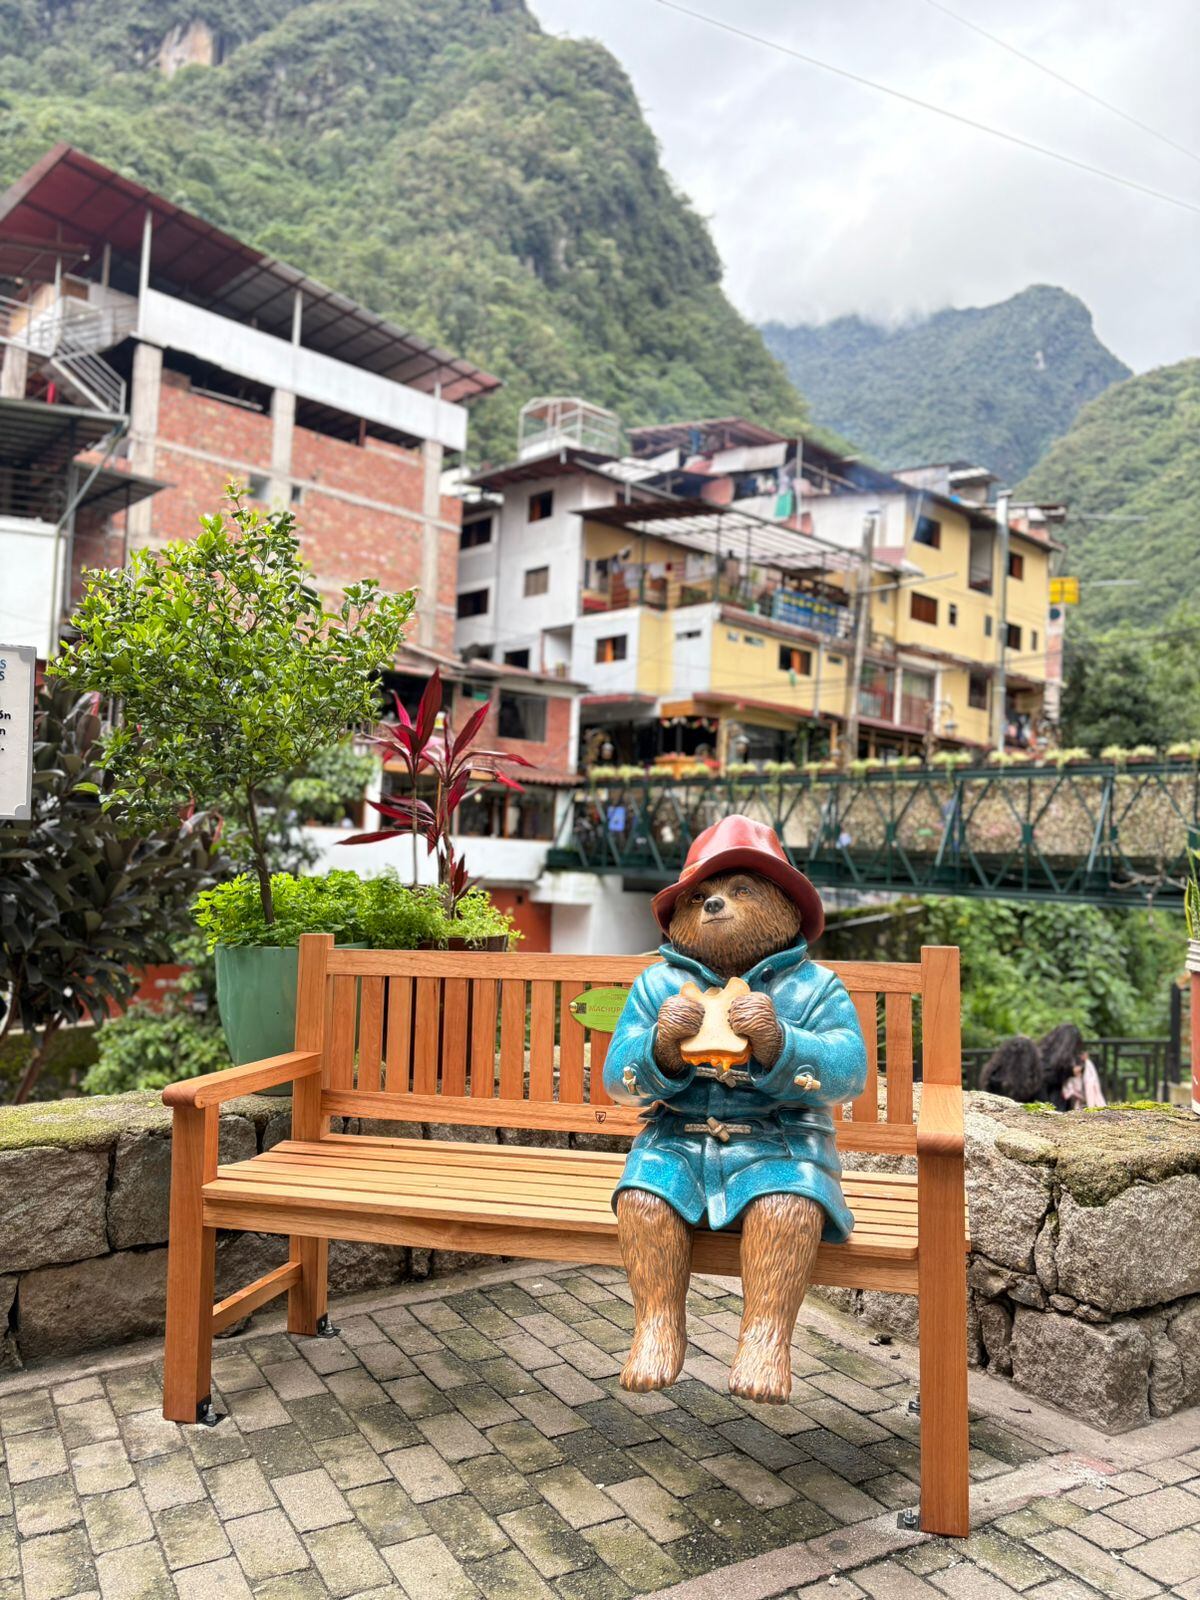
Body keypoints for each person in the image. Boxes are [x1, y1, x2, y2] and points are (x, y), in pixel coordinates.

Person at [604, 815, 866, 1403]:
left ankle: (766, 1336)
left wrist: (782, 1043)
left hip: (782, 1141)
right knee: (644, 1201)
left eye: (740, 891)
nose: (716, 904)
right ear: (678, 918)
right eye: (700, 897)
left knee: (787, 1207)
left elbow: (850, 1071)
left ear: (783, 906)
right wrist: (659, 1046)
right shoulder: (657, 986)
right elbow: (617, 1079)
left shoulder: (815, 987)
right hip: (676, 1138)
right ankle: (656, 1325)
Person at [1039, 1023, 1106, 1110]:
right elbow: (1048, 1078)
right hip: (1054, 1103)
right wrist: (1071, 1072)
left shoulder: (1043, 1053)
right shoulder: (1062, 1059)